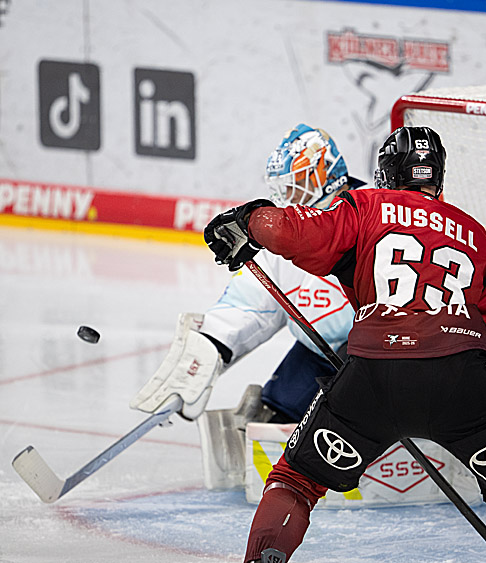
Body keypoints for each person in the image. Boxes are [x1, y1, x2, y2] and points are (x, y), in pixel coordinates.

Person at [204, 125, 486, 563]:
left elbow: (292, 234)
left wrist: (249, 218)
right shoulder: (477, 235)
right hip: (464, 377)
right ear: (437, 176)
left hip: (372, 377)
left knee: (294, 481)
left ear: (384, 173)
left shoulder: (365, 207)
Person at [130, 125, 362, 489]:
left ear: (324, 175)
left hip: (380, 355)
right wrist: (210, 347)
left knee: (352, 406)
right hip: (318, 354)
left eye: (294, 184)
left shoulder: (370, 214)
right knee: (274, 419)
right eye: (281, 188)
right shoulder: (288, 231)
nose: (286, 196)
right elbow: (251, 305)